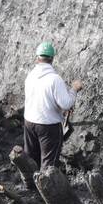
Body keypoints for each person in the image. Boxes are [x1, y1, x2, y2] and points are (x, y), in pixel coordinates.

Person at [23, 41, 80, 169]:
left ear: (37, 58)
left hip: (29, 122)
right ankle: (46, 187)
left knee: (31, 157)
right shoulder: (55, 79)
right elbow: (66, 104)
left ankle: (29, 185)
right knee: (49, 163)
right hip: (48, 126)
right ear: (52, 58)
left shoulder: (30, 76)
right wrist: (74, 90)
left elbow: (39, 99)